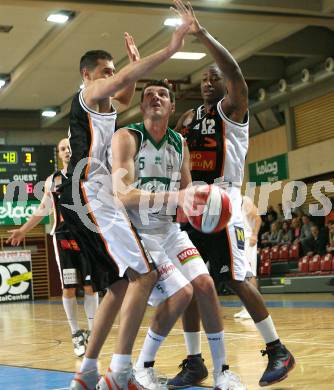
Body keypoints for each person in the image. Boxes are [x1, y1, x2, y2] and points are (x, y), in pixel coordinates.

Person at [60, 20, 194, 390]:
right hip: (90, 191)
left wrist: (128, 69)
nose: (113, 77)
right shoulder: (87, 94)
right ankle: (120, 373)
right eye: (106, 72)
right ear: (88, 75)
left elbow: (122, 96)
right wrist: (169, 49)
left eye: (114, 71)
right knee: (145, 274)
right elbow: (120, 88)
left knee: (120, 284)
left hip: (92, 194)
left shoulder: (103, 101)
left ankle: (87, 372)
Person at [171, 1, 295, 387]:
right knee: (189, 286)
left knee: (238, 281)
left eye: (215, 77)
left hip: (223, 205)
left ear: (226, 84)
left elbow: (235, 72)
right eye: (204, 79)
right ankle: (194, 361)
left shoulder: (233, 110)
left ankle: (278, 350)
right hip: (192, 208)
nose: (209, 82)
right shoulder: (188, 120)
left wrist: (201, 34)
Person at [117, 80, 245, 389]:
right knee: (182, 293)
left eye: (162, 94)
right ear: (142, 106)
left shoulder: (179, 143)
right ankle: (142, 367)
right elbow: (122, 193)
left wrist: (214, 205)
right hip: (141, 233)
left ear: (172, 107)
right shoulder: (128, 137)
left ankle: (222, 372)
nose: (155, 98)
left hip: (170, 230)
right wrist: (176, 199)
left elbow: (187, 193)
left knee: (204, 284)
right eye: (148, 95)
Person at [7, 138, 98, 358]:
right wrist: (23, 230)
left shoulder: (88, 175)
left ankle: (94, 332)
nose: (67, 151)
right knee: (68, 288)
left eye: (70, 147)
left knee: (89, 287)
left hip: (86, 237)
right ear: (58, 154)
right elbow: (42, 209)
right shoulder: (52, 181)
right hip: (63, 238)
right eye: (63, 149)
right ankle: (76, 332)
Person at [234, 195, 261, 320]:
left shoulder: (244, 199)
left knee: (249, 273)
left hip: (247, 239)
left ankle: (254, 308)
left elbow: (257, 218)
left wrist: (254, 235)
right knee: (242, 275)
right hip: (237, 240)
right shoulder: (229, 200)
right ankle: (247, 307)